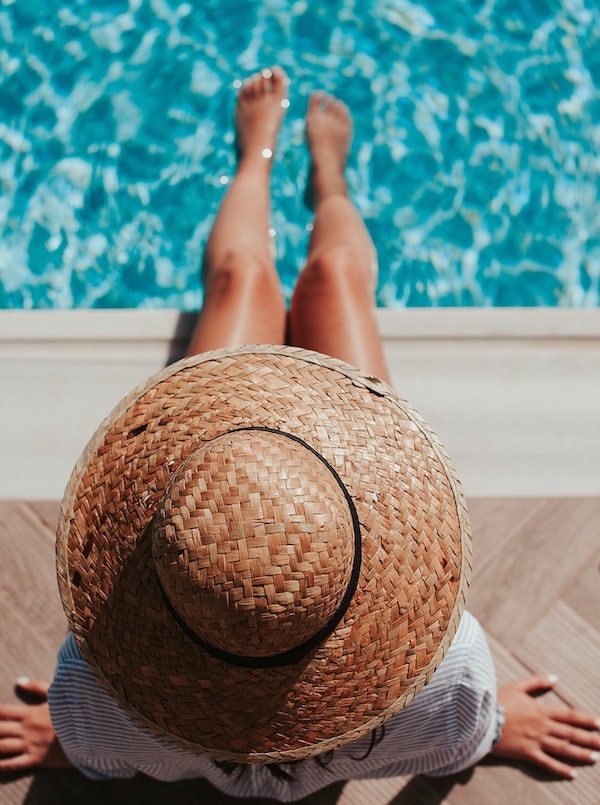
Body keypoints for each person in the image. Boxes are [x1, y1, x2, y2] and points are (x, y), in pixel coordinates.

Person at [0, 67, 598, 798]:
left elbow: (100, 749)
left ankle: (257, 157)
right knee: (338, 277)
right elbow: (458, 736)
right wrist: (492, 727)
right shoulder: (449, 672)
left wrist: (69, 738)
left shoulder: (94, 691)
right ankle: (330, 183)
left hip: (237, 474)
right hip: (328, 489)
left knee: (242, 283)